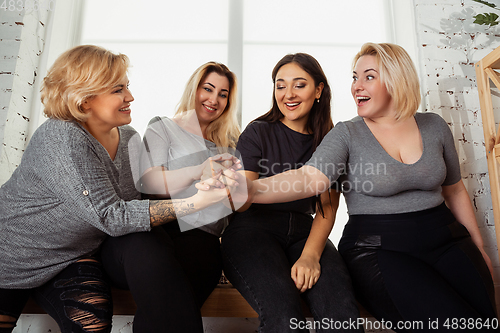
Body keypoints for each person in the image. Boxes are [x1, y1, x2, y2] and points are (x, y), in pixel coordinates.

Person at [201, 43, 498, 332]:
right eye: (355, 77)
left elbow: (454, 189)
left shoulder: (432, 126)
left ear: (397, 79)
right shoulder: (343, 134)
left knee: (484, 320)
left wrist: (480, 247)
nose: (357, 85)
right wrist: (248, 189)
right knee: (452, 321)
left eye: (368, 77)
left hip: (439, 238)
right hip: (367, 245)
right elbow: (309, 179)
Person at [0, 45, 241, 333]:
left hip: (75, 258)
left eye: (127, 86)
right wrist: (198, 201)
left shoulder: (128, 137)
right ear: (84, 99)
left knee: (94, 321)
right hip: (14, 258)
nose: (130, 96)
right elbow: (112, 216)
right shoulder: (59, 137)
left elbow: (135, 204)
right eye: (118, 90)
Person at [220, 53, 362, 333]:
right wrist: (228, 186)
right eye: (280, 85)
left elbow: (327, 208)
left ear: (319, 90)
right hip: (252, 230)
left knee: (341, 315)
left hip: (305, 232)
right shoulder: (257, 132)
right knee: (284, 317)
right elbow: (242, 203)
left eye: (299, 85)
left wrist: (310, 256)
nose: (288, 94)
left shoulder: (331, 140)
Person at [101, 61, 241, 330]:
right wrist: (198, 170)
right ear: (194, 89)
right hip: (164, 229)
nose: (214, 99)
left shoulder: (232, 141)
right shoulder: (163, 126)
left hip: (205, 240)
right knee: (165, 311)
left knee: (170, 313)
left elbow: (233, 204)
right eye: (208, 88)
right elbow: (150, 181)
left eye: (223, 94)